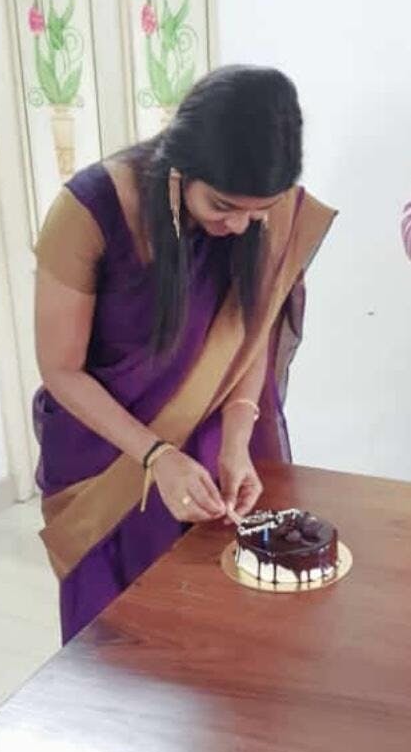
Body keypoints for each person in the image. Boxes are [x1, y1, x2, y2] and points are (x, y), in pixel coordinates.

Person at [33, 65, 336, 642]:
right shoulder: (89, 212)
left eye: (258, 212)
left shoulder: (265, 211)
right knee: (120, 636)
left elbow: (252, 334)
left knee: (222, 627)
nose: (241, 226)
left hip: (208, 445)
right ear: (180, 167)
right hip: (108, 451)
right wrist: (156, 457)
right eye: (222, 206)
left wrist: (237, 441)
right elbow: (61, 370)